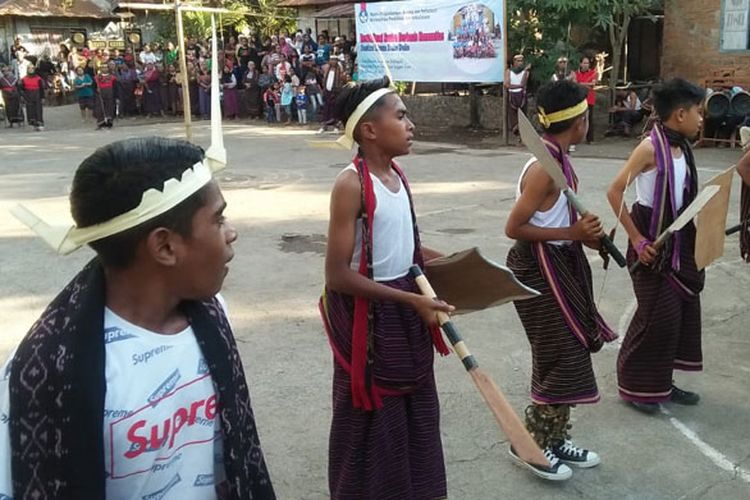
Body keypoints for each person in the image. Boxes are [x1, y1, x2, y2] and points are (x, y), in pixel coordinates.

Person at [0, 137, 276, 500]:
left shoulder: (211, 314)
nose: (231, 232)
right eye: (217, 218)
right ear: (164, 247)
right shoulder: (46, 371)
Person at [319, 76, 453, 499]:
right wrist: (410, 299)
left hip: (405, 312)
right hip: (371, 324)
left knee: (416, 414)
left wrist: (458, 266)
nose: (410, 123)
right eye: (401, 115)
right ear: (369, 130)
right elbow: (337, 275)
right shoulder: (351, 184)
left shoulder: (397, 175)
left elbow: (407, 249)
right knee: (372, 419)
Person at [505, 80, 613, 480]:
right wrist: (573, 235)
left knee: (565, 358)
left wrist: (591, 240)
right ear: (580, 122)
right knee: (558, 360)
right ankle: (528, 445)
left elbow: (555, 218)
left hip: (560, 267)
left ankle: (553, 439)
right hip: (538, 271)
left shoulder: (558, 159)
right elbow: (513, 227)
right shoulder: (543, 170)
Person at [606, 78, 706, 414]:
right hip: (651, 242)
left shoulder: (683, 148)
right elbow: (614, 191)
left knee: (678, 315)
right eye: (698, 112)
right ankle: (633, 385)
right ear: (680, 114)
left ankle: (661, 381)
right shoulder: (650, 148)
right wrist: (636, 237)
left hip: (679, 242)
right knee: (657, 317)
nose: (701, 119)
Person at [573, 54, 598, 144]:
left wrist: (580, 84)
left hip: (590, 98)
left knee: (589, 118)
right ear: (580, 64)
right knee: (577, 118)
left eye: (587, 63)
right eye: (584, 63)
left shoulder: (593, 73)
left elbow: (593, 84)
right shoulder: (576, 73)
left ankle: (590, 139)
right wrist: (586, 84)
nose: (586, 65)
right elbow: (574, 83)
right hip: (579, 98)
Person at [504, 53, 530, 141]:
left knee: (523, 117)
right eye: (518, 61)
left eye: (521, 61)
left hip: (521, 95)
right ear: (514, 62)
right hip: (512, 95)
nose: (520, 63)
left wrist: (525, 71)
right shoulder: (509, 71)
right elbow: (506, 84)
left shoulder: (525, 72)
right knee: (513, 118)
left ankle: (522, 137)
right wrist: (518, 86)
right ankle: (517, 134)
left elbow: (523, 83)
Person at [317, 56, 343, 133]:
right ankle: (324, 126)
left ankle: (336, 127)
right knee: (326, 110)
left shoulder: (339, 70)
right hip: (327, 92)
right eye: (332, 60)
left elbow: (340, 81)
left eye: (335, 60)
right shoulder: (327, 69)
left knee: (334, 110)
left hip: (335, 92)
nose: (333, 62)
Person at [20, 65, 45, 131]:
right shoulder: (23, 79)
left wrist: (42, 97)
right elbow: (21, 89)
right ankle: (32, 124)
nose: (31, 70)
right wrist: (23, 96)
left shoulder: (38, 79)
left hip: (37, 95)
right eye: (29, 68)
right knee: (30, 110)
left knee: (38, 110)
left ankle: (39, 123)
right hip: (28, 95)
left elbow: (41, 89)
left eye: (32, 68)